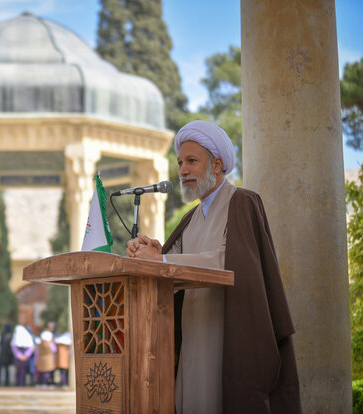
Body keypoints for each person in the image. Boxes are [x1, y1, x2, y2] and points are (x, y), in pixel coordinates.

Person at [127, 120, 301, 413]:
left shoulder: (242, 201)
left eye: (192, 161)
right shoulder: (190, 218)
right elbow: (171, 270)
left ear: (217, 164)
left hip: (228, 335)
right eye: (181, 162)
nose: (182, 170)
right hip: (193, 334)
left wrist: (163, 260)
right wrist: (154, 253)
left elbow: (227, 260)